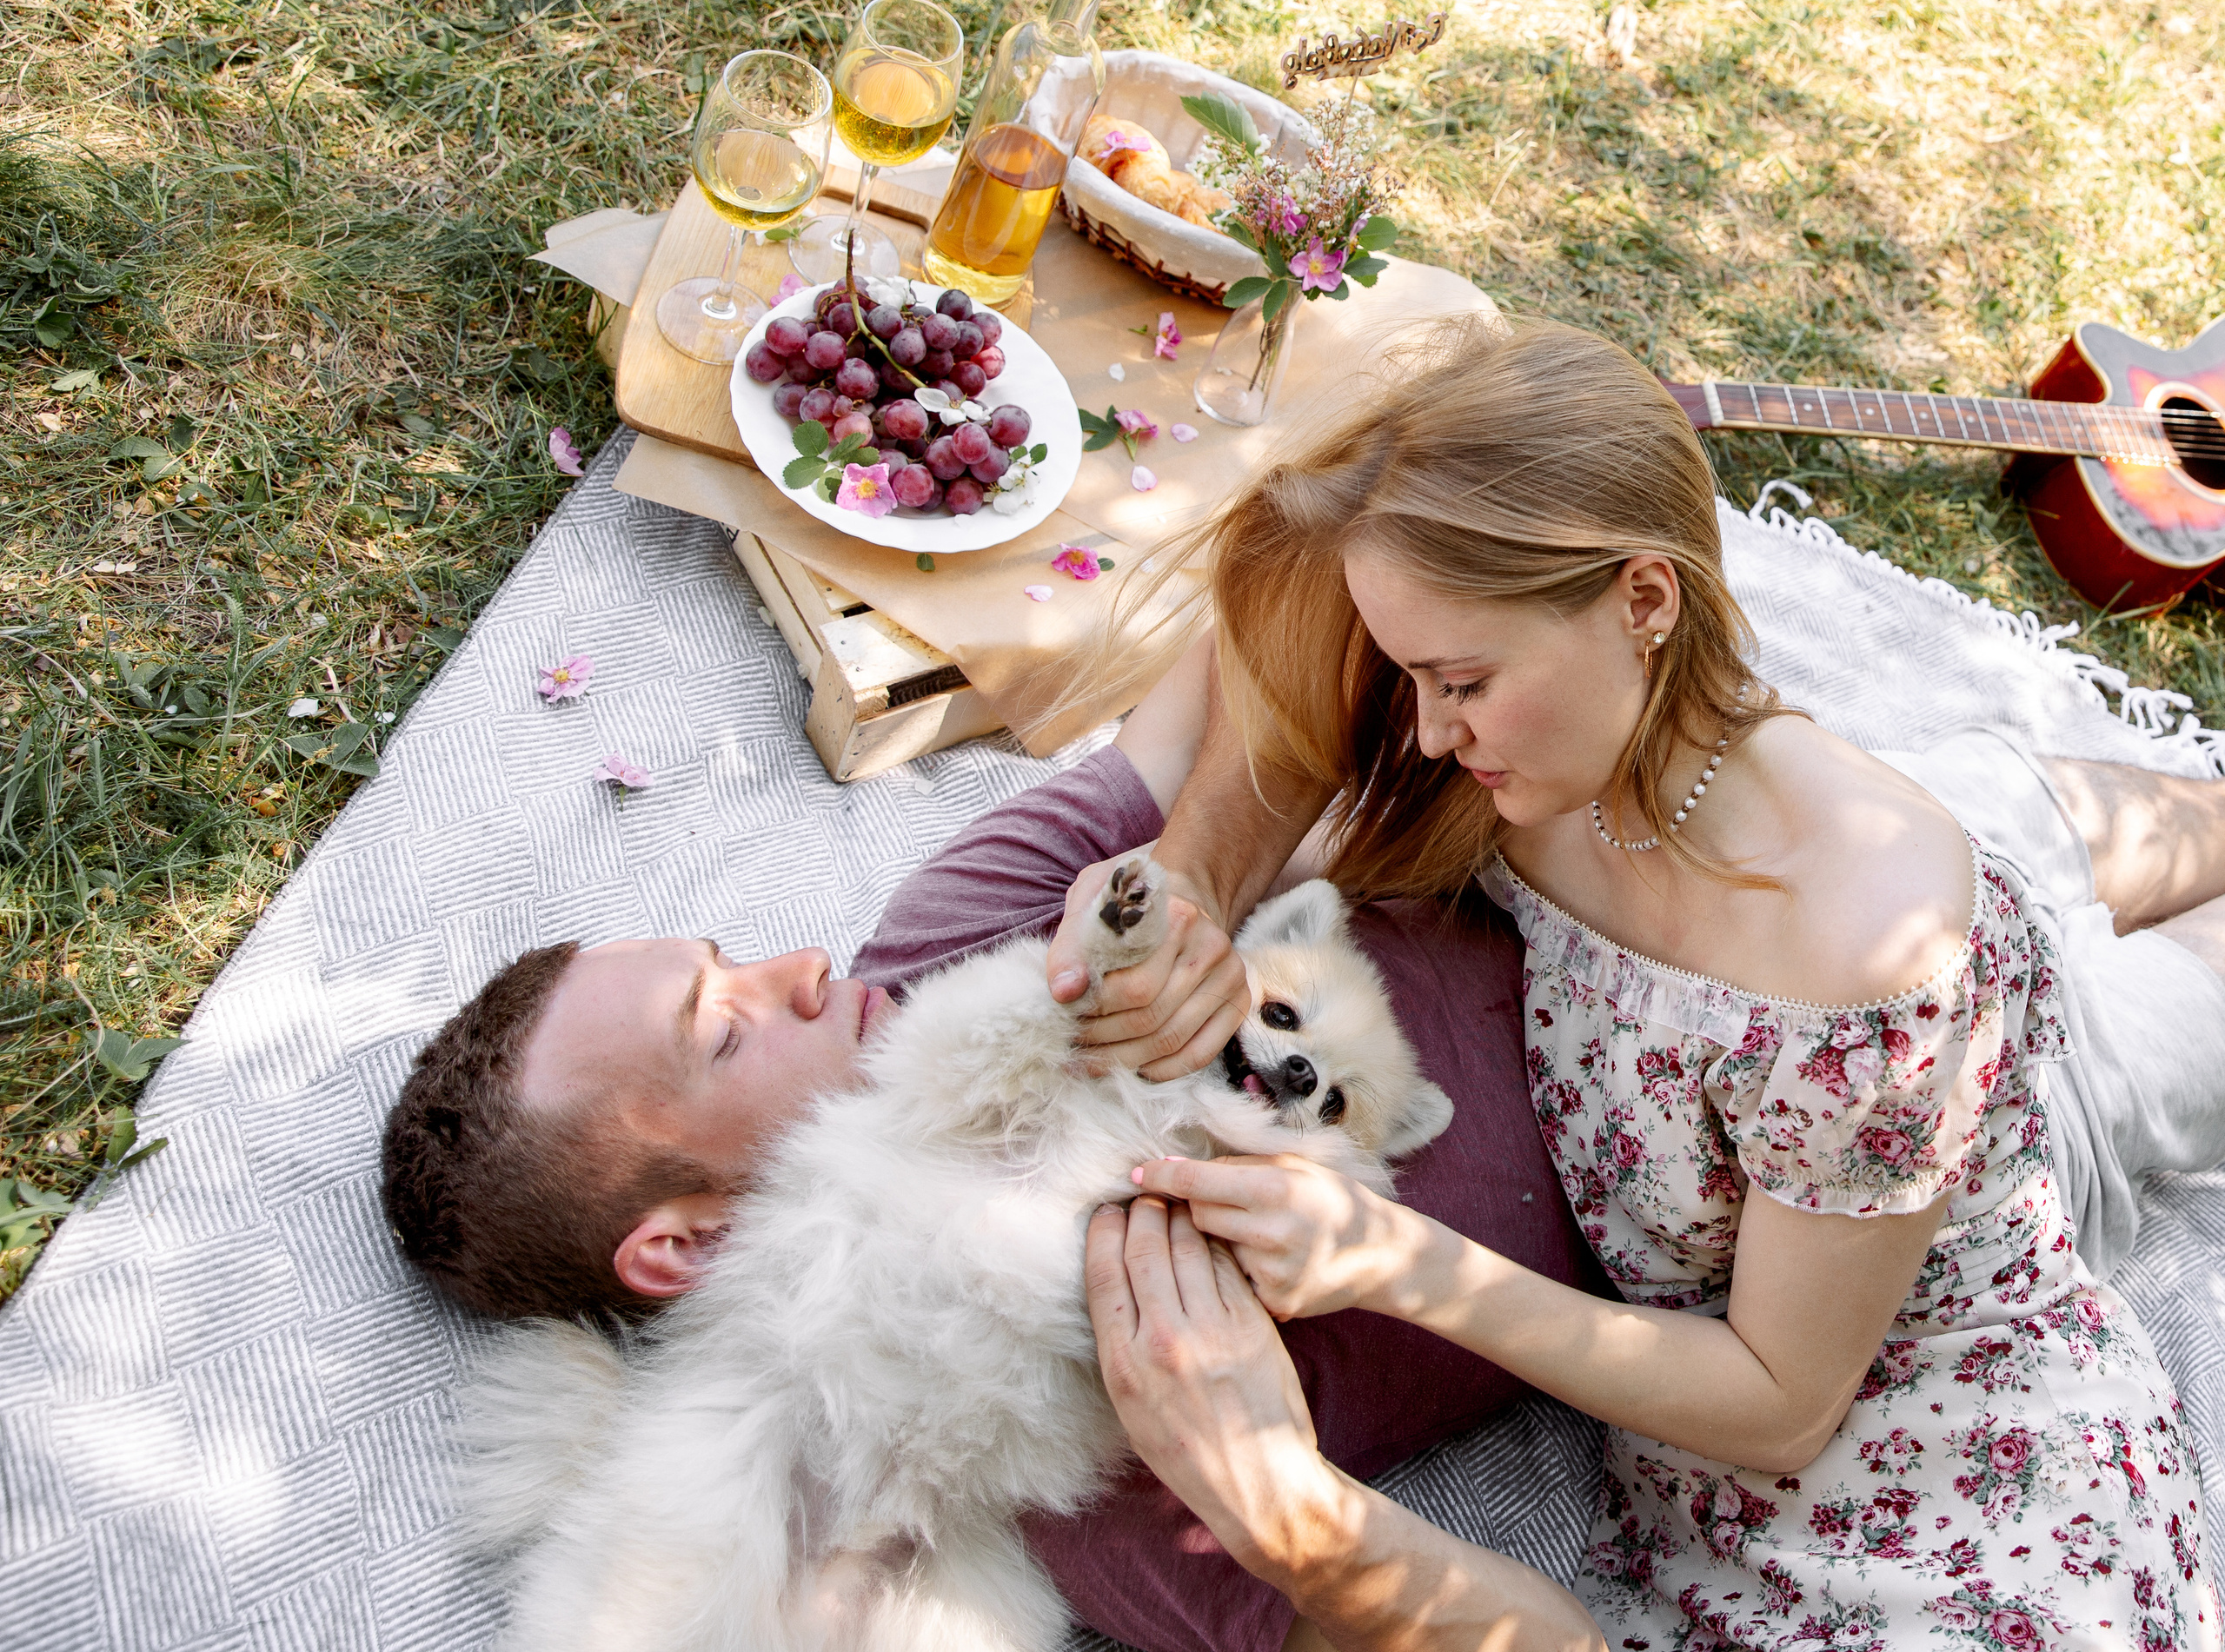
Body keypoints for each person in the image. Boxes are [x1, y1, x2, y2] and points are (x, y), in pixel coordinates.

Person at [1056, 314, 2225, 1651]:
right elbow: (1279, 721)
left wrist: (1392, 1258)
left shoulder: (1864, 962)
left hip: (1974, 1327)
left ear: (1646, 601)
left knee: (2155, 992)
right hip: (1884, 1074)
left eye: (1460, 684)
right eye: (1419, 678)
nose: (1428, 728)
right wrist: (1182, 884)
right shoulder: (1536, 732)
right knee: (2044, 831)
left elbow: (1784, 1398)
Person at [378, 630, 1611, 1652]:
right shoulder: (1087, 1485)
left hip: (1584, 884)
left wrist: (1182, 866)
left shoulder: (935, 943)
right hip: (1677, 1210)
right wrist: (1283, 1502)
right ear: (685, 1247)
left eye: (729, 957)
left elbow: (1226, 667)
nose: (801, 966)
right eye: (723, 1033)